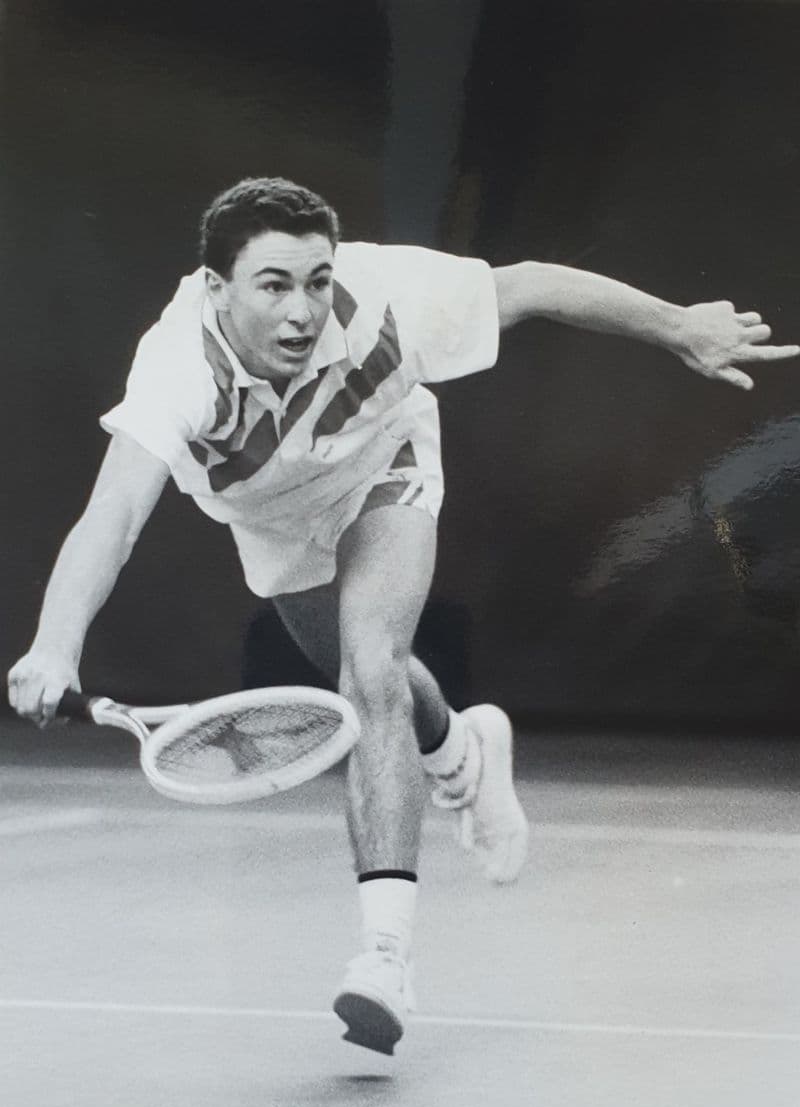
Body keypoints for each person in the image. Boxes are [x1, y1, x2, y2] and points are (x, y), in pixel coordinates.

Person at [7, 177, 798, 1055]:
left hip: (383, 464)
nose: (303, 308)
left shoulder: (385, 295)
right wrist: (54, 645)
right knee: (373, 681)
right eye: (274, 284)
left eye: (316, 280)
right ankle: (461, 747)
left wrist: (677, 325)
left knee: (370, 665)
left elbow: (530, 284)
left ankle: (384, 955)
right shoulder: (177, 367)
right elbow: (114, 514)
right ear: (218, 287)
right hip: (271, 521)